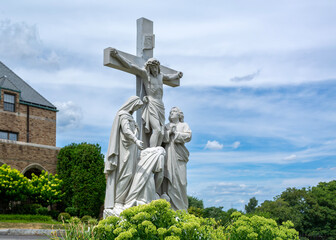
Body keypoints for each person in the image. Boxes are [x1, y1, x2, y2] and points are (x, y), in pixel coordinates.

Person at [110, 49, 183, 148]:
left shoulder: (161, 76)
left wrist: (177, 75)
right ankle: (152, 152)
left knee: (161, 132)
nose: (155, 70)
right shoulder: (145, 74)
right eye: (152, 68)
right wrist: (117, 56)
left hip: (161, 105)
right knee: (156, 129)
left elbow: (170, 78)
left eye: (156, 68)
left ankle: (157, 151)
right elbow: (130, 65)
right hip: (152, 104)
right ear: (149, 68)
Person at [104, 96, 144, 217]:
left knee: (130, 174)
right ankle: (117, 202)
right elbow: (126, 131)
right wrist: (136, 140)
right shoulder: (123, 115)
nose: (136, 109)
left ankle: (124, 200)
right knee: (124, 174)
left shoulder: (129, 116)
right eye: (136, 106)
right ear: (132, 104)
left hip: (131, 149)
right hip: (124, 150)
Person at [162, 107, 192, 211]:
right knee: (169, 179)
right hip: (169, 155)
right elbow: (162, 138)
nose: (171, 113)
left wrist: (176, 134)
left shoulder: (183, 125)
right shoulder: (166, 126)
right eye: (170, 112)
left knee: (181, 181)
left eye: (174, 112)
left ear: (179, 115)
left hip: (179, 156)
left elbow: (188, 136)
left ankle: (182, 209)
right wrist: (168, 133)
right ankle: (170, 207)